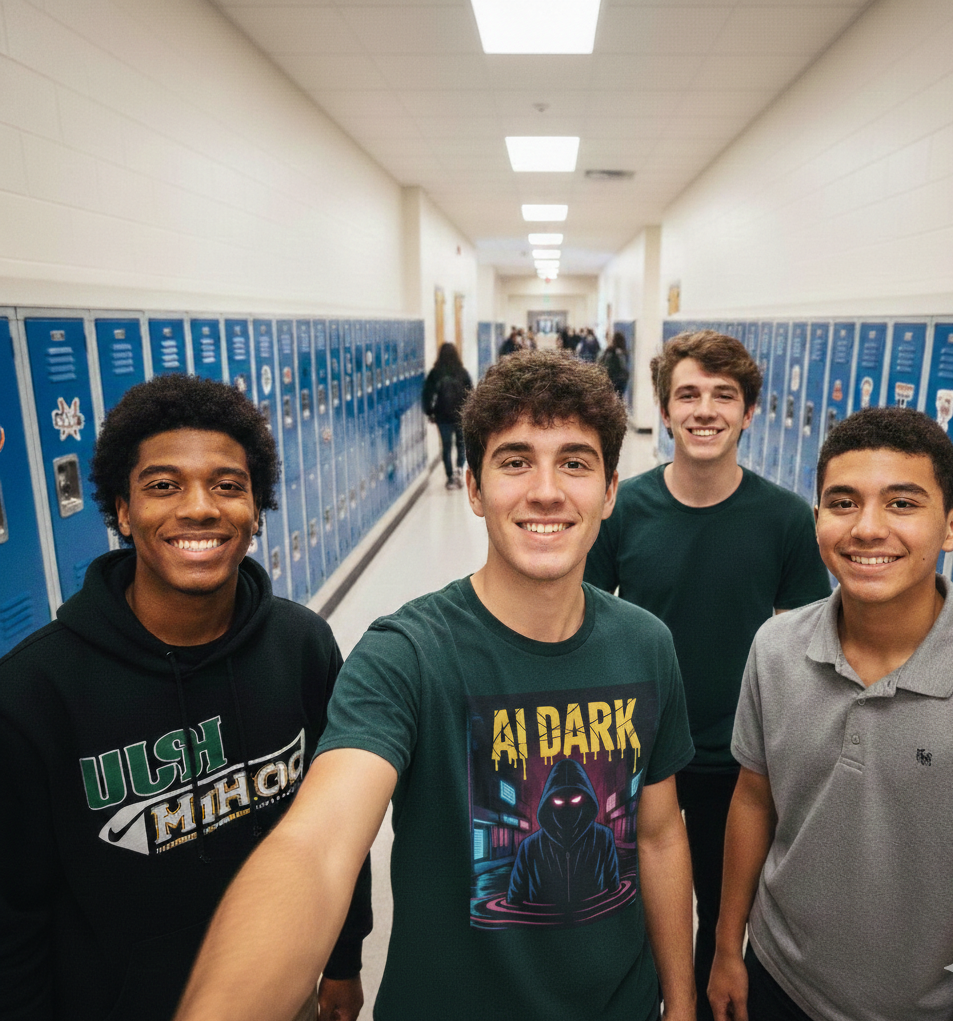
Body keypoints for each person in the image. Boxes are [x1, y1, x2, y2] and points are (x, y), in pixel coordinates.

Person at [174, 350, 697, 1021]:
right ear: (474, 489)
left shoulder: (645, 643)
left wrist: (679, 1003)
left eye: (573, 461)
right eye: (514, 461)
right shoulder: (407, 654)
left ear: (609, 489)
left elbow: (656, 836)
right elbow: (318, 842)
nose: (545, 489)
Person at [0, 374, 371, 1021]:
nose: (199, 507)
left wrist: (342, 958)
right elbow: (14, 917)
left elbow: (340, 824)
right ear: (121, 508)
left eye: (227, 484)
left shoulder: (301, 645)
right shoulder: (33, 693)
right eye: (163, 485)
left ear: (257, 508)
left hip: (280, 1000)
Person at [585, 330, 830, 1021]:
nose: (704, 410)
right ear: (663, 410)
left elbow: (806, 641)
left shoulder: (784, 518)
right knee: (630, 907)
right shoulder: (622, 508)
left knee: (723, 919)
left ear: (748, 412)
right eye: (687, 394)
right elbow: (586, 624)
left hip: (740, 762)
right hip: (641, 758)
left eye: (723, 396)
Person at [708, 405, 953, 1021]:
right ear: (816, 517)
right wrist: (725, 947)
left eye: (902, 503)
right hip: (780, 978)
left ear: (949, 525)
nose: (867, 528)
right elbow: (753, 799)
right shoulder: (776, 648)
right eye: (842, 503)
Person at [422, 342, 473, 489]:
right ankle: (458, 470)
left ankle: (450, 477)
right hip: (460, 414)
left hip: (442, 415)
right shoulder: (462, 372)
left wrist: (429, 412)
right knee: (461, 444)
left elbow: (427, 394)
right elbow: (470, 393)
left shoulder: (435, 373)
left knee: (446, 446)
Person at [599, 330, 630, 399]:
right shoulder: (623, 352)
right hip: (621, 380)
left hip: (612, 379)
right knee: (619, 399)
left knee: (611, 400)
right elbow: (624, 366)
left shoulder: (609, 351)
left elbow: (602, 363)